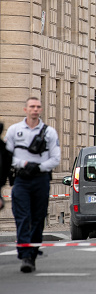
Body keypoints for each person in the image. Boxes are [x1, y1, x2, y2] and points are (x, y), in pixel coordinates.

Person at [5, 97, 61, 273]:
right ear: (25, 109)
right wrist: (24, 165)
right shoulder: (14, 130)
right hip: (21, 179)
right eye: (32, 107)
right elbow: (7, 155)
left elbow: (56, 158)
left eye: (38, 107)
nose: (35, 110)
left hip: (41, 179)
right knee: (23, 217)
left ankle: (33, 251)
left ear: (41, 110)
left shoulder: (49, 132)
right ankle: (25, 255)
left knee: (38, 218)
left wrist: (38, 167)